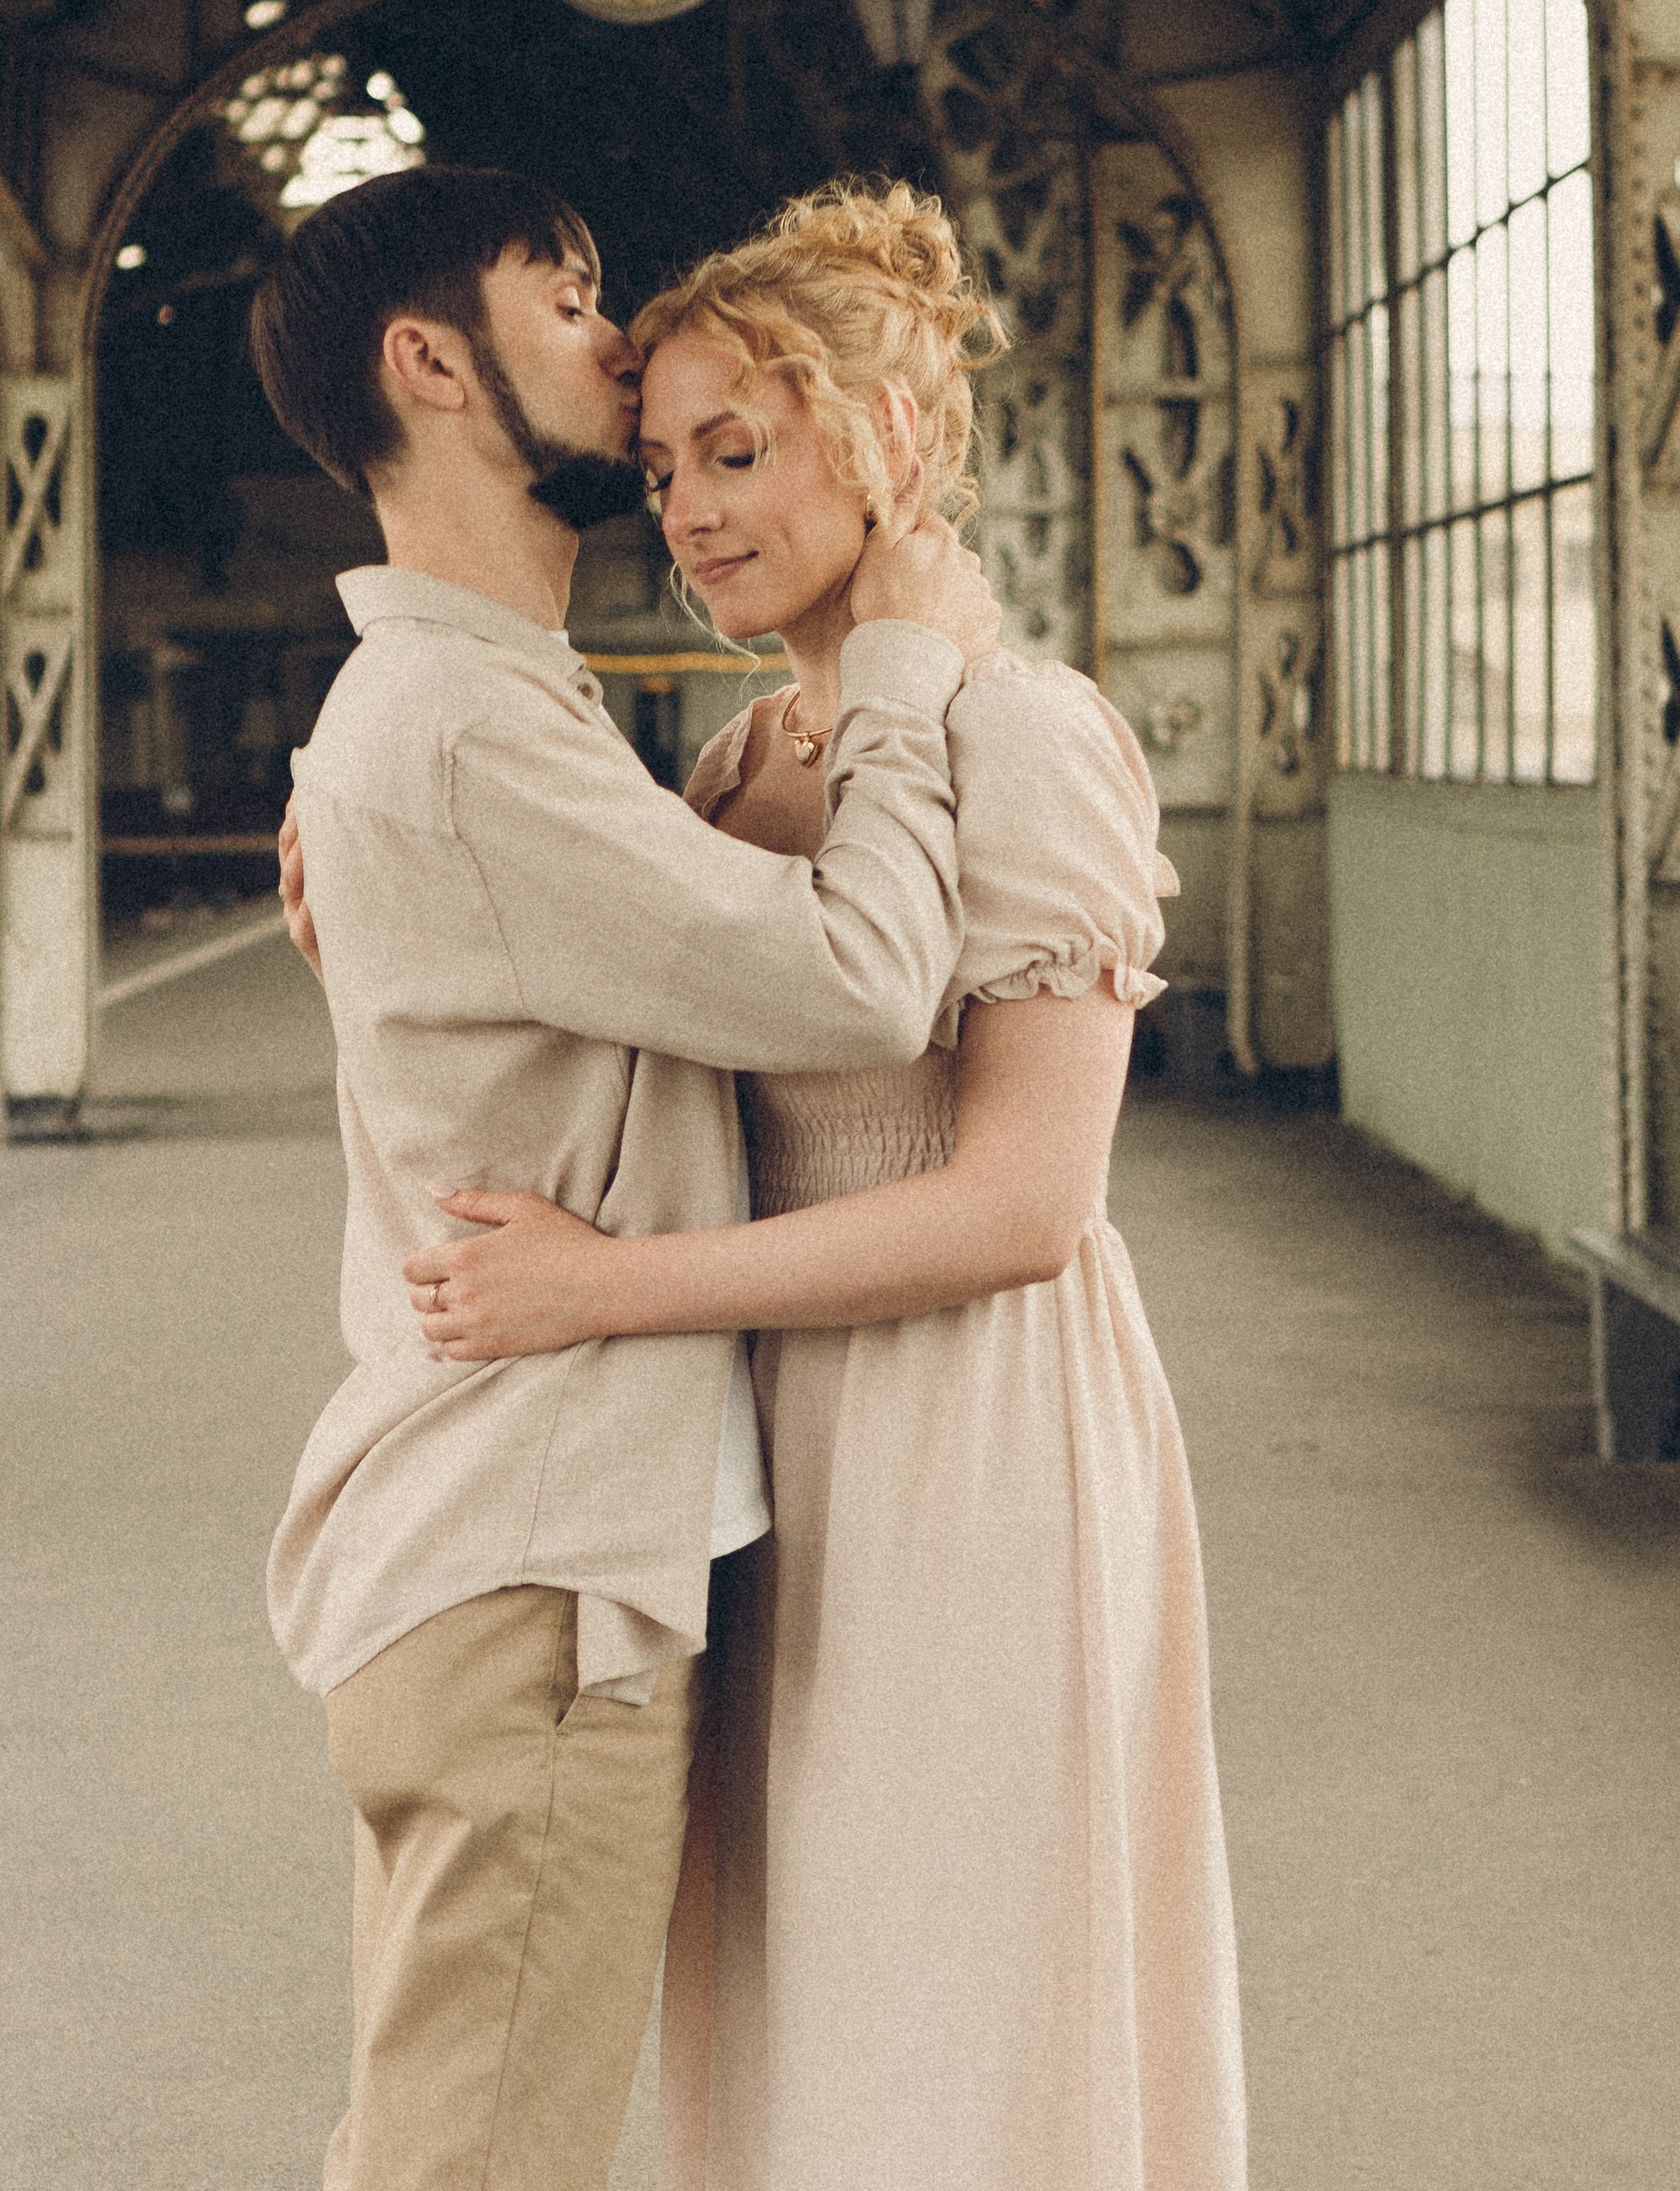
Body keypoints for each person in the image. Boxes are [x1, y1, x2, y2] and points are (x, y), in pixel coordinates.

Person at [400, 180, 1248, 2191]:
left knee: (952, 1979)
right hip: (770, 1440)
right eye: (664, 462)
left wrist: (607, 1289)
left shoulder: (1026, 735)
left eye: (736, 449)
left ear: (883, 440)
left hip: (972, 1433)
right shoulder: (736, 758)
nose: (685, 511)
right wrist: (371, 878)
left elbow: (1024, 1205)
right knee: (800, 1982)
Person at [250, 161, 997, 2191]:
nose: (609, 329)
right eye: (560, 298)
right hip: (534, 1571)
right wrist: (915, 668)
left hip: (503, 1553)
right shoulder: (469, 731)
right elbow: (856, 980)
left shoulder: (463, 717)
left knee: (444, 2144)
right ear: (429, 363)